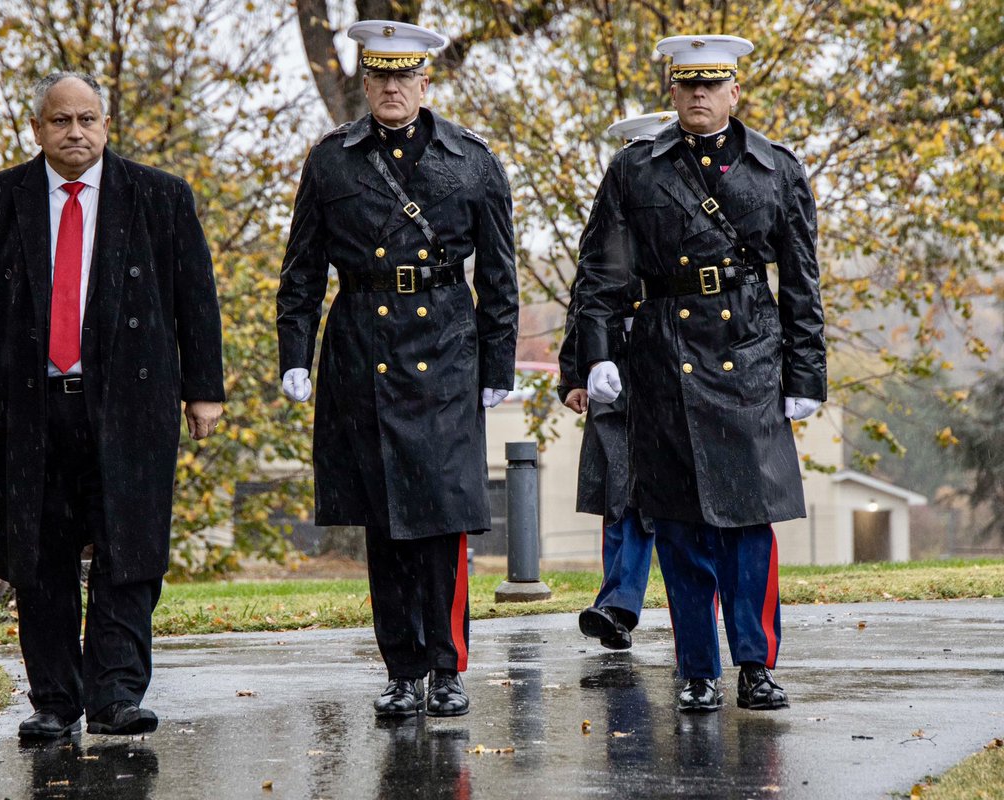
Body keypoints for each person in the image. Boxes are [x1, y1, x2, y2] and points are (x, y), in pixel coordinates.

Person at [0, 72, 225, 739]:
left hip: (132, 405)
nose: (75, 132)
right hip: (25, 409)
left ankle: (117, 695)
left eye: (87, 119)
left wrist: (204, 389)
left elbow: (196, 298)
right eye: (60, 121)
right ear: (37, 130)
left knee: (129, 549)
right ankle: (55, 703)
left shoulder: (160, 197)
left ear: (106, 124)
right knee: (38, 556)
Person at [575, 35, 826, 713]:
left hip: (748, 356)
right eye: (686, 85)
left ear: (734, 91)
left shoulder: (775, 169)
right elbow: (599, 272)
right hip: (662, 359)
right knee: (680, 527)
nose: (697, 95)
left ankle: (756, 664)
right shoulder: (634, 171)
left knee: (749, 524)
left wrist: (806, 375)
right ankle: (696, 669)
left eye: (711, 85)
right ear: (673, 92)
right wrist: (592, 354)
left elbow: (802, 281)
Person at [276, 20, 518, 718]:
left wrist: (497, 362)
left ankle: (446, 668)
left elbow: (499, 277)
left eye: (403, 75)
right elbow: (301, 273)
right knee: (384, 522)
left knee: (442, 520)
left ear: (425, 80)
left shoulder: (472, 159)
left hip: (446, 347)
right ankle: (402, 671)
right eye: (378, 75)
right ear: (364, 81)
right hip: (360, 349)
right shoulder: (331, 161)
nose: (390, 87)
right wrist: (295, 355)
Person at [560, 111, 677, 652]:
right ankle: (617, 608)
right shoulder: (611, 215)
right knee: (620, 495)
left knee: (665, 500)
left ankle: (634, 608)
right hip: (614, 371)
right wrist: (575, 371)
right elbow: (588, 297)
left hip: (674, 362)